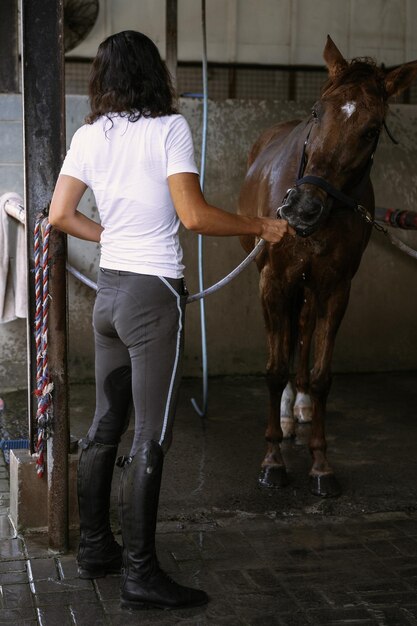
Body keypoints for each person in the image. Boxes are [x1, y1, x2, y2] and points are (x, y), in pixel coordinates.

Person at [48, 30, 294, 612]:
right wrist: (261, 227)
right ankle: (140, 574)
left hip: (109, 296)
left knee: (107, 425)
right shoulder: (169, 129)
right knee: (151, 435)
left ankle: (94, 549)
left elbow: (60, 214)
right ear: (153, 74)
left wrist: (109, 236)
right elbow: (194, 216)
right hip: (153, 298)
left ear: (102, 78)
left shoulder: (89, 135)